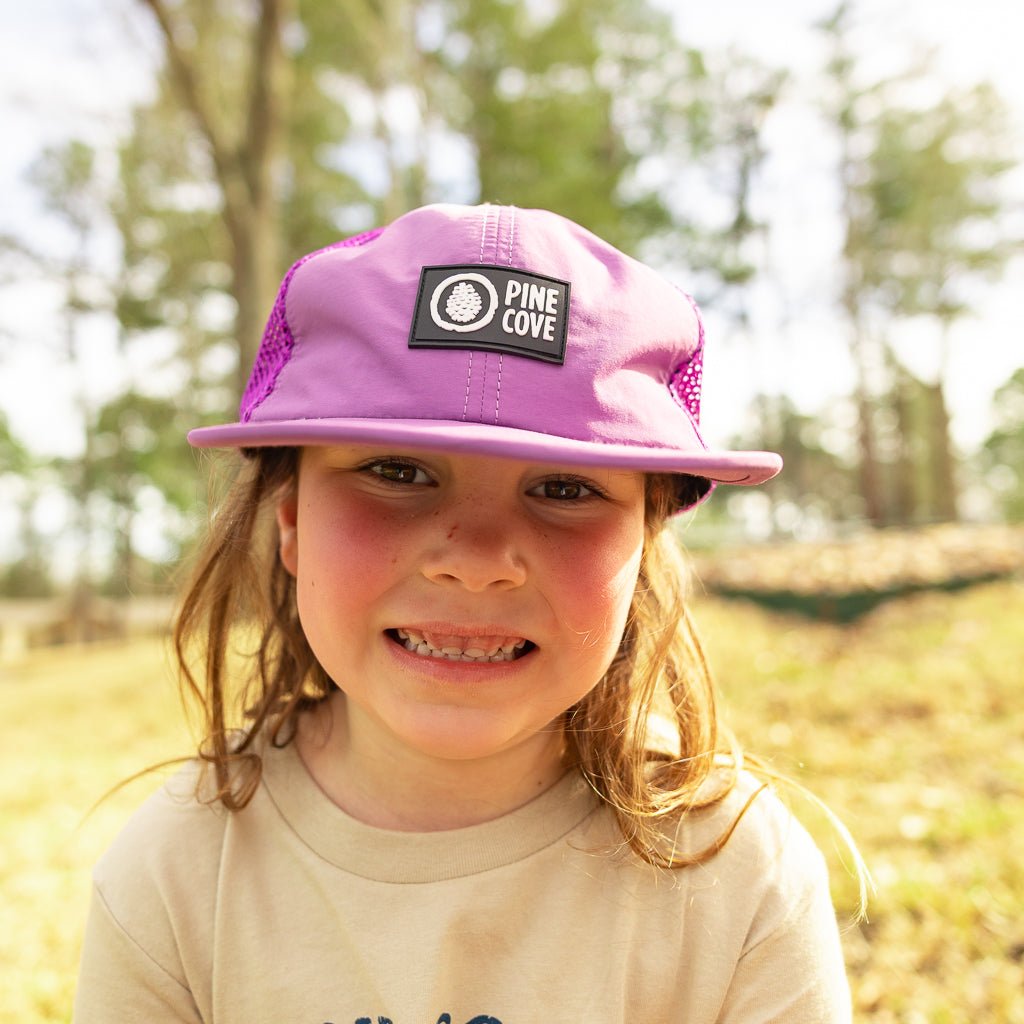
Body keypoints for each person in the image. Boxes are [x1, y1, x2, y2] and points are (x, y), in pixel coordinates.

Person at [74, 203, 858, 1023]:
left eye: (565, 489)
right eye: (397, 472)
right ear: (292, 522)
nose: (476, 560)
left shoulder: (739, 876)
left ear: (643, 552)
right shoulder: (174, 877)